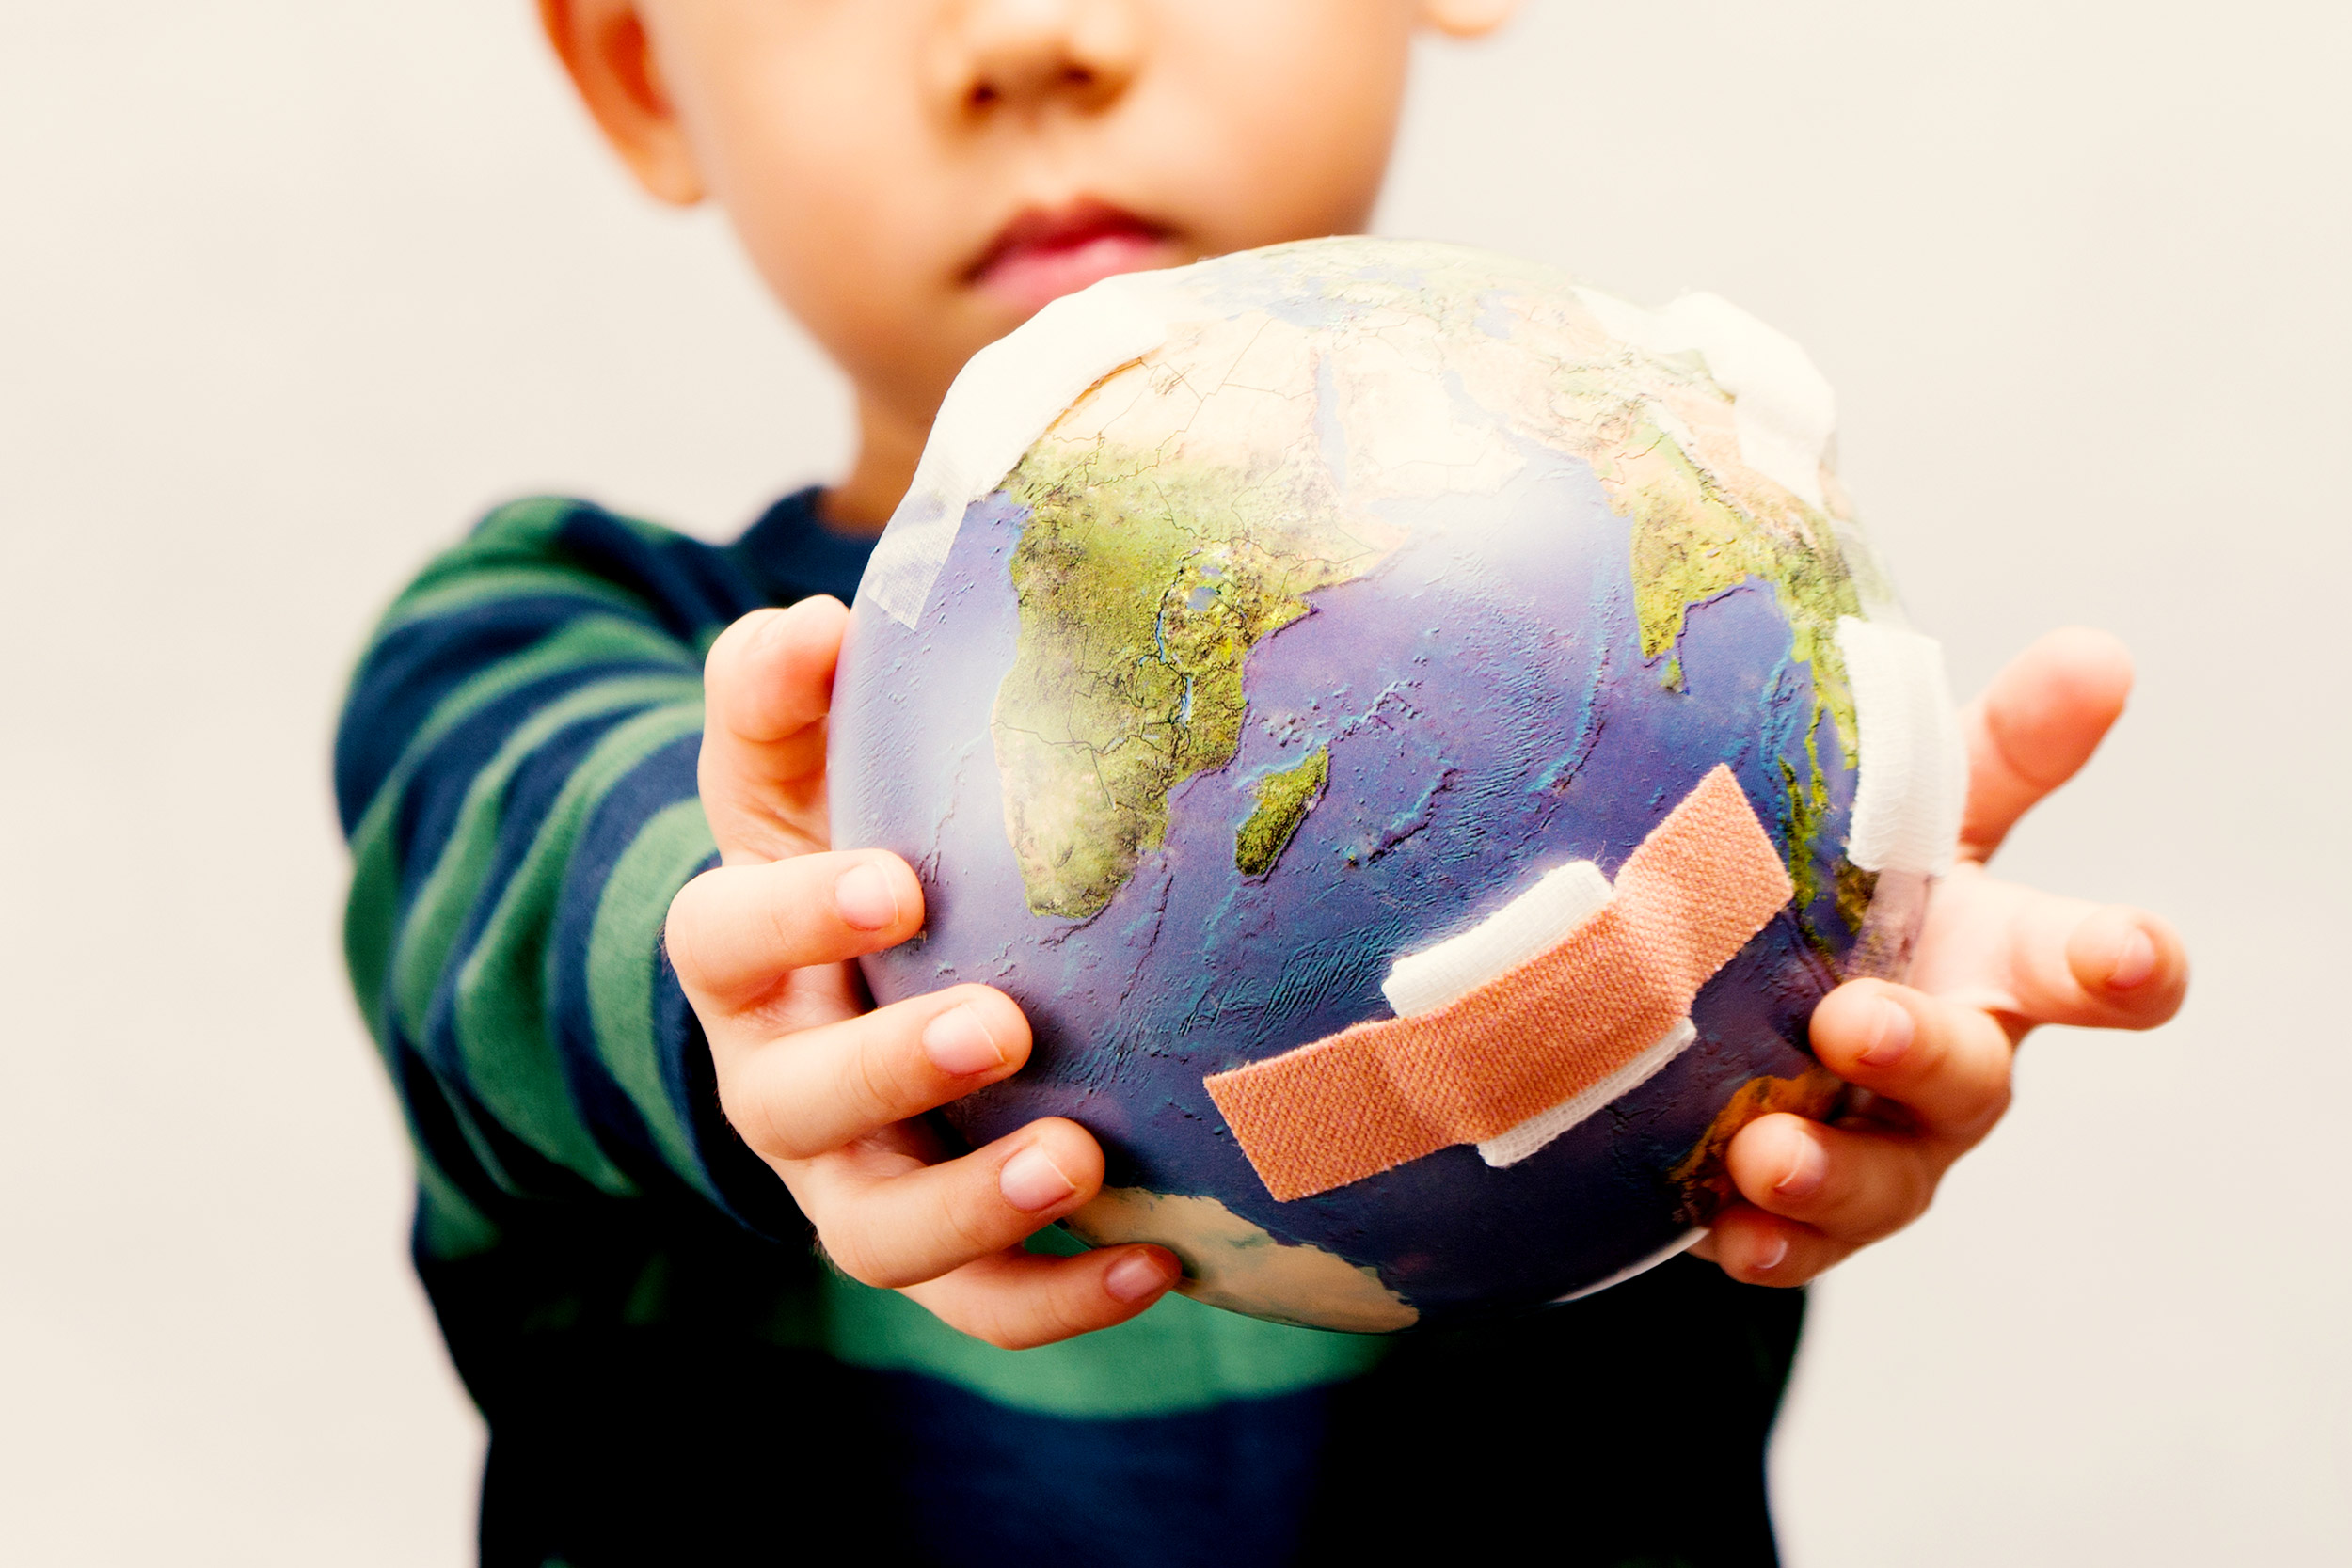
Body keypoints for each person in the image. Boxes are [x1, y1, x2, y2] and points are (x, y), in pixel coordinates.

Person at [335, 3, 2188, 1562]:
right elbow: (543, 889)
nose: (1036, 38)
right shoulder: (524, 659)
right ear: (637, 68)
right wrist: (763, 994)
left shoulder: (1673, 632)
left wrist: (1819, 965)